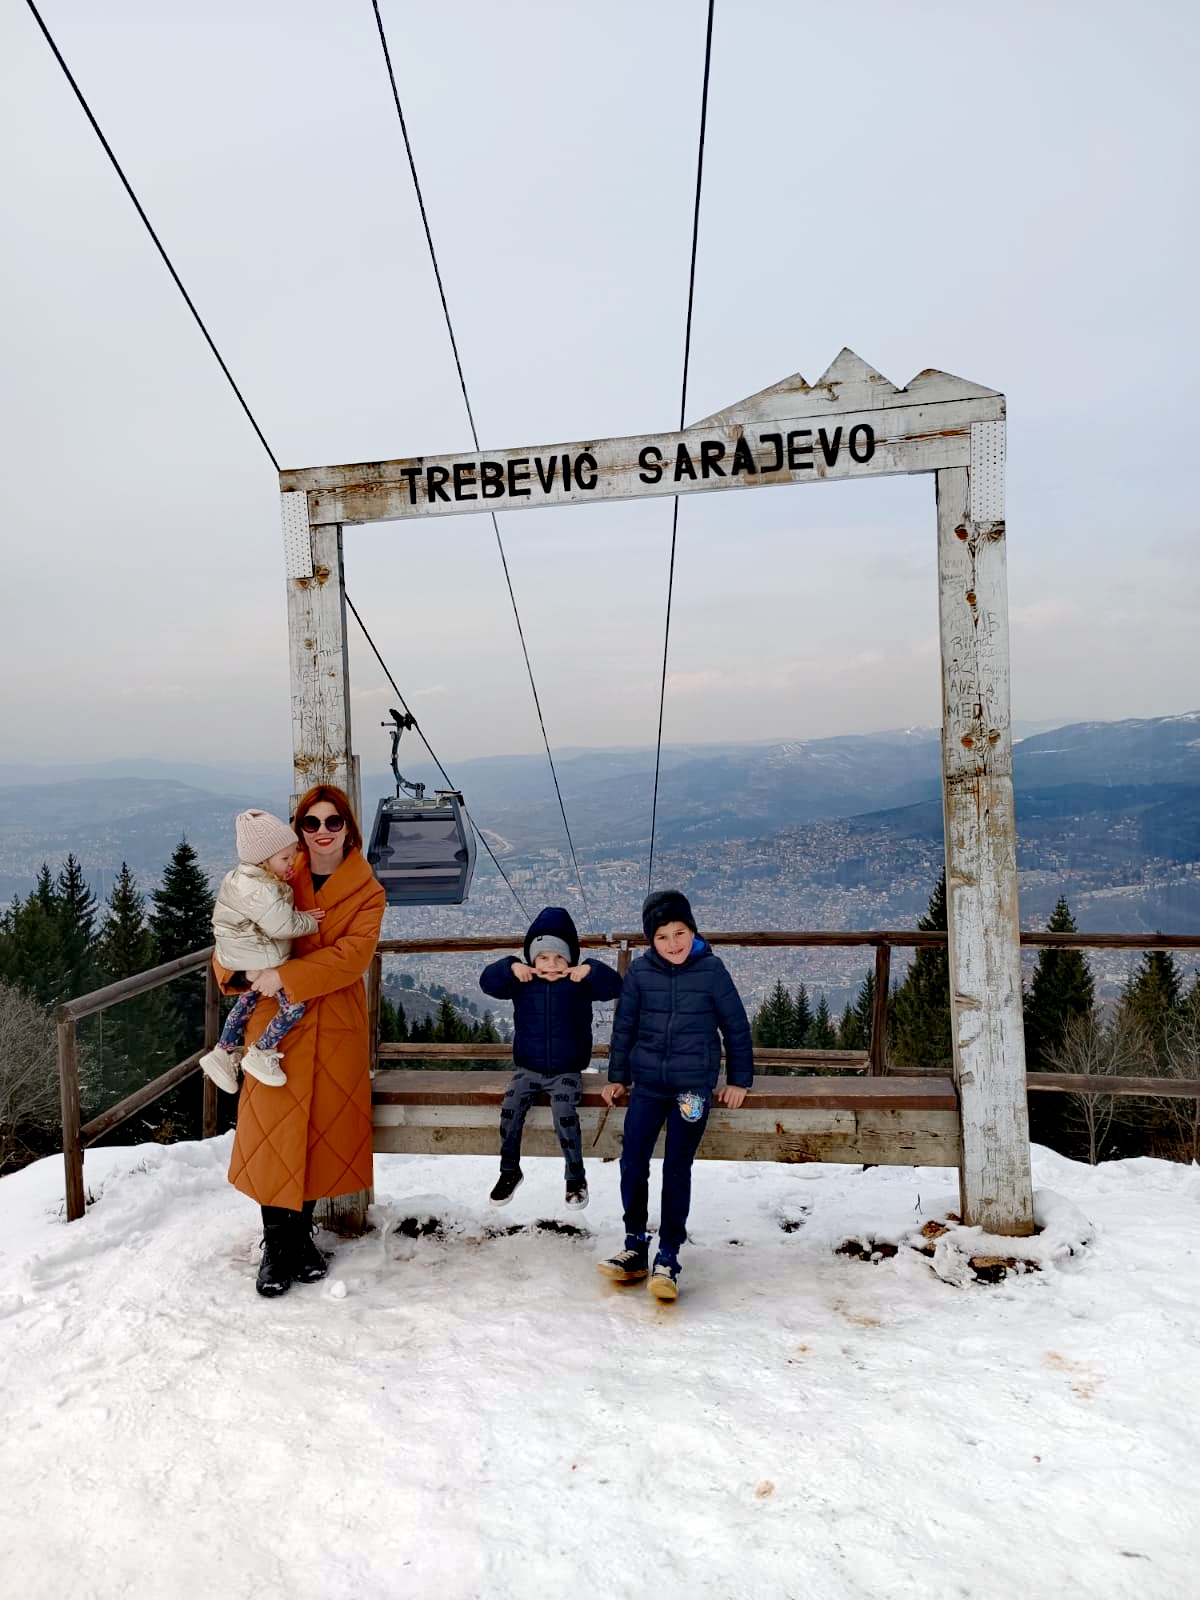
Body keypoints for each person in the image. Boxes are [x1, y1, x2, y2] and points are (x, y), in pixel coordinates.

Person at [214, 785, 385, 1298]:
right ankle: (277, 1245)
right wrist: (242, 972)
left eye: (334, 822)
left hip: (332, 1022)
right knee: (274, 1135)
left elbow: (353, 958)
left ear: (349, 829)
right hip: (273, 1023)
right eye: (311, 823)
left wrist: (285, 975)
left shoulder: (368, 891)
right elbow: (232, 932)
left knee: (314, 1136)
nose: (322, 832)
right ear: (298, 830)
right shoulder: (275, 875)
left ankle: (299, 1238)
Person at [598, 889, 753, 1301]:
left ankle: (668, 1254)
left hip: (692, 1089)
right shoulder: (640, 973)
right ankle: (635, 1244)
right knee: (633, 1160)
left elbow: (736, 1026)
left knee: (676, 1167)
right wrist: (618, 1077)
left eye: (679, 933)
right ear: (652, 940)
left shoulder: (712, 971)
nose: (673, 943)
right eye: (662, 936)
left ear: (693, 931)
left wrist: (739, 1080)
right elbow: (625, 1027)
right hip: (648, 1086)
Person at [479, 907, 622, 1210]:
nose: (552, 964)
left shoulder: (579, 984)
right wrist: (510, 966)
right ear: (532, 959)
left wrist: (591, 969)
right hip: (528, 1068)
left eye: (559, 957)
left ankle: (575, 1177)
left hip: (567, 1070)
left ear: (571, 959)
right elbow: (487, 983)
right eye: (543, 957)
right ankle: (509, 1170)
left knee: (564, 1111)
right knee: (510, 1109)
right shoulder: (521, 982)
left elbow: (615, 986)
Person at [199, 810, 325, 1093]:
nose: (291, 862)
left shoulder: (242, 878)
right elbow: (282, 925)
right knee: (293, 1007)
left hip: (241, 955)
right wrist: (309, 921)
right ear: (263, 861)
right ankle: (262, 1050)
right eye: (285, 858)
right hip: (255, 957)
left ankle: (223, 1051)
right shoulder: (260, 889)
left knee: (248, 999)